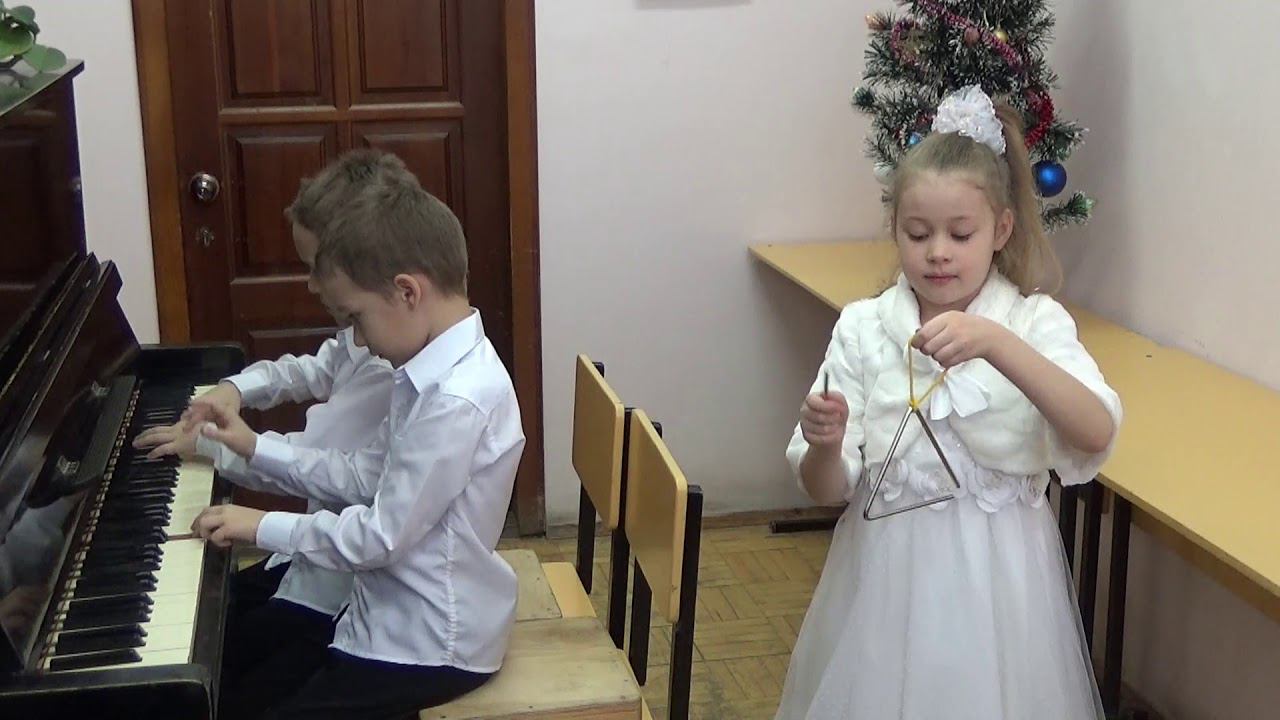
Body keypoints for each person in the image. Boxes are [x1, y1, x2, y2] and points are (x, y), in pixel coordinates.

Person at [775, 85, 1122, 720]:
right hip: (883, 590)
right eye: (918, 233)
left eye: (960, 234)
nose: (938, 251)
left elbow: (1094, 431)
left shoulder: (1032, 322)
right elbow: (826, 489)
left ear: (1001, 230)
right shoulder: (864, 328)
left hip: (1004, 595)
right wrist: (825, 445)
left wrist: (995, 343)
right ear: (895, 230)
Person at [189, 177, 525, 719]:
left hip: (427, 644)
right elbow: (363, 478)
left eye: (356, 319)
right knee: (232, 685)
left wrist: (262, 525)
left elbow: (380, 536)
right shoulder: (425, 374)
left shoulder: (456, 400)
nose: (359, 341)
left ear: (407, 292)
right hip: (379, 613)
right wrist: (250, 451)